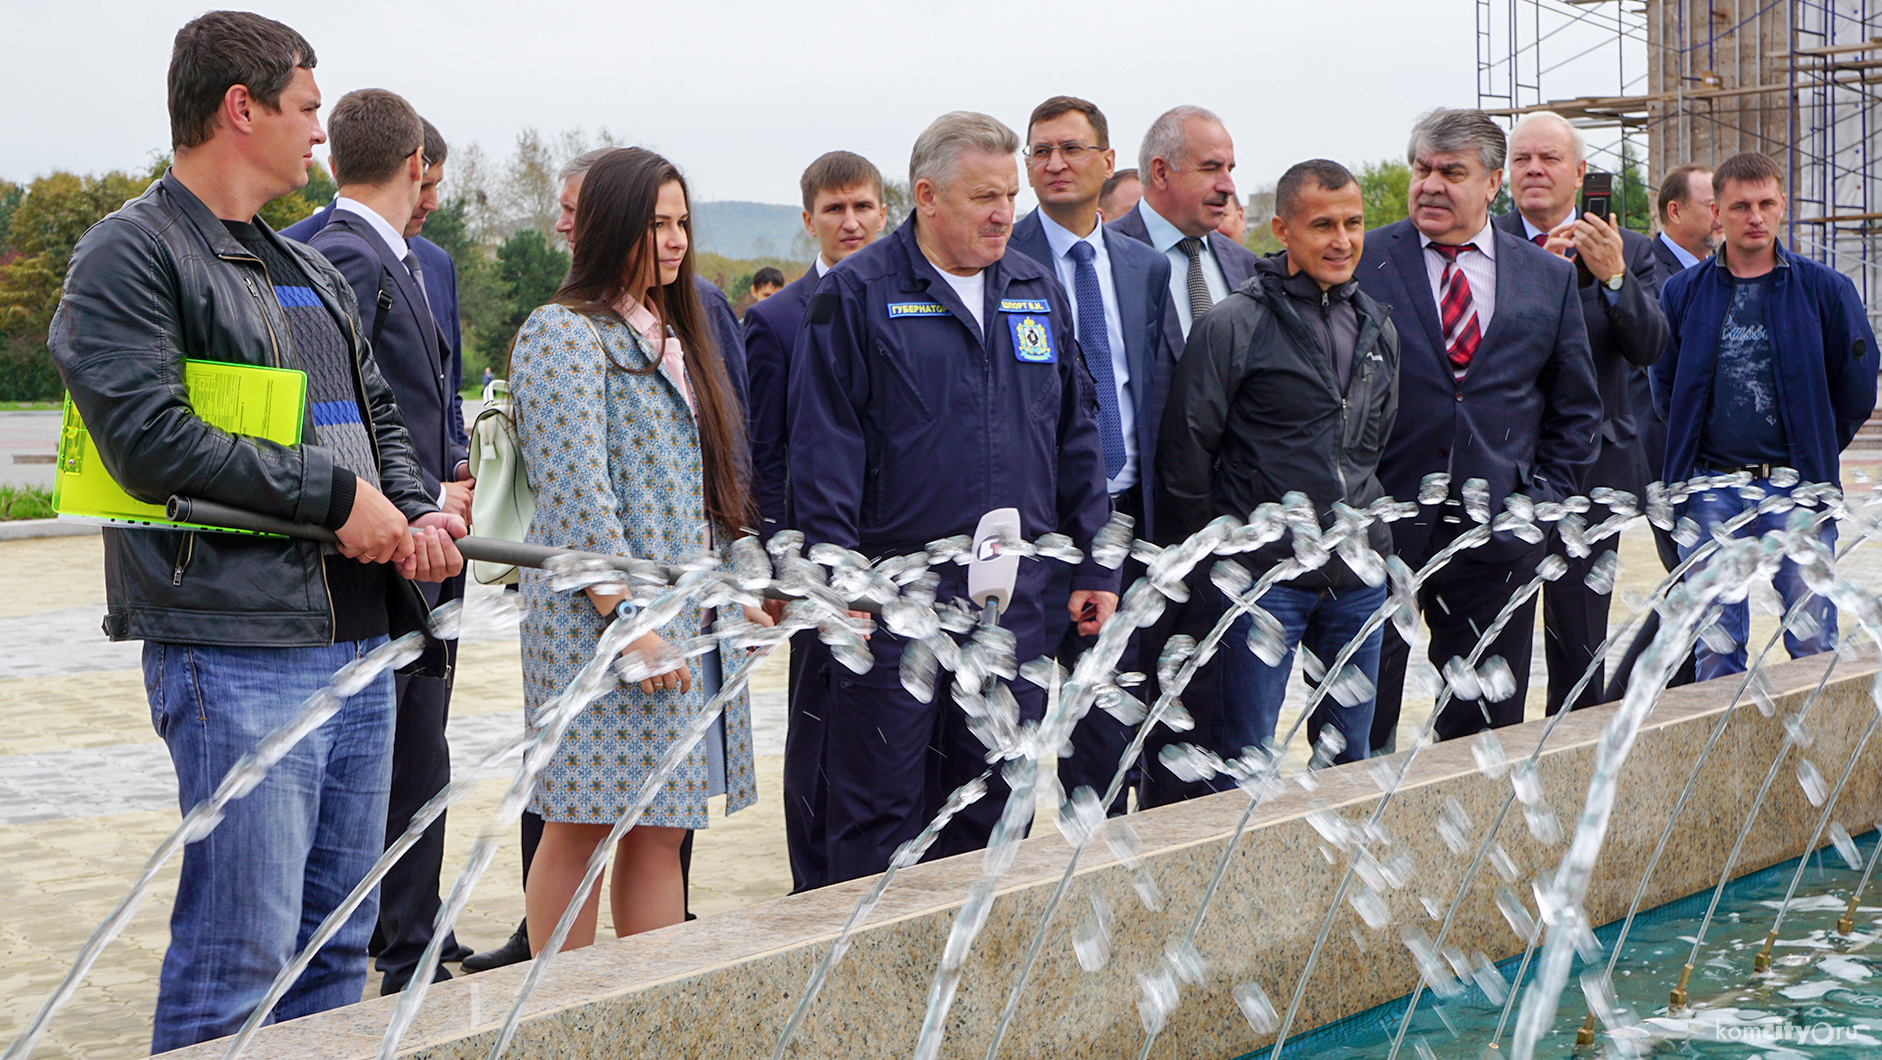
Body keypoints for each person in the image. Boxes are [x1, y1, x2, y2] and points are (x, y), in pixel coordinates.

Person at [47, 13, 465, 1050]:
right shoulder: (129, 254)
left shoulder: (306, 263)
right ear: (243, 109)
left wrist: (411, 510)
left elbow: (379, 417)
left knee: (337, 942)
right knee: (239, 954)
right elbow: (150, 438)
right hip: (238, 650)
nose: (320, 136)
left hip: (359, 639)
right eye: (308, 110)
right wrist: (336, 500)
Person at [789, 111, 1118, 885]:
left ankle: (976, 983)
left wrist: (1096, 564)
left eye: (1009, 193)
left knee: (998, 804)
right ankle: (873, 988)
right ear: (927, 196)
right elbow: (823, 455)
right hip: (895, 611)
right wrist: (840, 583)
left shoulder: (1035, 289)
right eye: (983, 197)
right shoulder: (858, 296)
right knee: (881, 814)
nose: (1005, 211)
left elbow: (1077, 436)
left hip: (1015, 607)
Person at [468, 144, 746, 970]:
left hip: (677, 620)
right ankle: (559, 1014)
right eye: (656, 223)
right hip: (602, 626)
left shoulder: (675, 331)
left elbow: (701, 486)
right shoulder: (563, 332)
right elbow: (576, 495)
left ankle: (645, 1013)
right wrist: (627, 621)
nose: (674, 240)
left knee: (663, 826)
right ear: (612, 226)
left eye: (682, 222)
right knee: (583, 822)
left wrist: (740, 583)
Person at [283, 92, 478, 995]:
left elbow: (428, 396)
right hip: (381, 552)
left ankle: (409, 938)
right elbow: (330, 404)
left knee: (418, 751)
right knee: (390, 759)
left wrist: (457, 473)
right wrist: (413, 497)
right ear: (416, 161)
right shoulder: (336, 256)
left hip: (427, 538)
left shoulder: (413, 258)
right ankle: (393, 950)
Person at [1356, 108, 1600, 753]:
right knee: (1358, 719)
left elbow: (1576, 409)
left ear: (1493, 182)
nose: (1430, 185)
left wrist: (1540, 507)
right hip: (1380, 531)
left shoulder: (1546, 276)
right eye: (1422, 169)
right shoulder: (1362, 261)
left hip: (1499, 536)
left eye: (1451, 172)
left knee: (1484, 727)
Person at [1160, 159, 1398, 768]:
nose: (1342, 241)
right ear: (1282, 230)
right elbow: (1187, 455)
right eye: (1323, 225)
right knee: (1245, 761)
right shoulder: (1231, 325)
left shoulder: (1377, 322)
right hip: (1263, 583)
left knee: (1350, 761)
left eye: (1353, 223)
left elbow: (1373, 445)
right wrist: (1214, 567)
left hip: (1357, 579)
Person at [1652, 150, 1878, 680]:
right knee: (1715, 642)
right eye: (1740, 206)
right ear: (1719, 214)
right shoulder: (1682, 292)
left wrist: (1816, 445)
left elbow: (1857, 386)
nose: (1754, 216)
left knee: (1812, 635)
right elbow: (1664, 385)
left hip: (1798, 485)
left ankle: (1815, 752)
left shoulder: (1825, 290)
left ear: (1782, 207)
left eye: (1765, 204)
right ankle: (1722, 754)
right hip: (1710, 485)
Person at [1007, 95, 1170, 815]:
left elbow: (1155, 390)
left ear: (1108, 161)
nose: (1054, 163)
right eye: (1040, 151)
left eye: (1070, 149)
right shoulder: (1002, 260)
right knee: (1012, 725)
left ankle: (1099, 874)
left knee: (1112, 725)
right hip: (1040, 525)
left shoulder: (1144, 267)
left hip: (1131, 515)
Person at [743, 149, 887, 893]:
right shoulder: (776, 320)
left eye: (862, 206)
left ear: (886, 211)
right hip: (813, 557)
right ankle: (814, 881)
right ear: (809, 222)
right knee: (821, 723)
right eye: (834, 210)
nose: (851, 221)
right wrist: (777, 560)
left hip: (897, 553)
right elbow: (766, 453)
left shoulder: (903, 301)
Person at [1493, 111, 1668, 716]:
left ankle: (1575, 766)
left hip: (1596, 469)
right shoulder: (1483, 246)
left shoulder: (1631, 251)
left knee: (1580, 639)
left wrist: (1613, 277)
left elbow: (1649, 349)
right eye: (1522, 159)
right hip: (1503, 467)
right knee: (1494, 645)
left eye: (1549, 159)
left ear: (1580, 173)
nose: (1534, 170)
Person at [554, 148, 750, 414]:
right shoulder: (564, 326)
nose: (562, 224)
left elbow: (730, 425)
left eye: (681, 223)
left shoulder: (700, 302)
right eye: (659, 224)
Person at [1108, 106, 1260, 364]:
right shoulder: (1103, 255)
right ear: (1161, 172)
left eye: (1229, 170)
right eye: (1211, 168)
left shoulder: (1245, 265)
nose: (1228, 186)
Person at [1654, 164, 1721, 276]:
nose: (1720, 214)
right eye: (1711, 205)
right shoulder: (1646, 275)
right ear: (1675, 212)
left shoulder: (1724, 271)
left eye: (1721, 205)